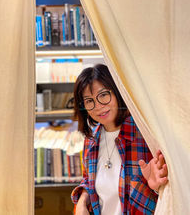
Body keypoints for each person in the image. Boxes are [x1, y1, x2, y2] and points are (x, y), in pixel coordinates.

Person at [71, 64, 168, 215]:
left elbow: (170, 193)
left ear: (117, 92)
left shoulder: (145, 135)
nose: (98, 107)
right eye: (89, 101)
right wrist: (82, 201)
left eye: (103, 95)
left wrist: (156, 188)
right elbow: (88, 179)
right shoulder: (90, 141)